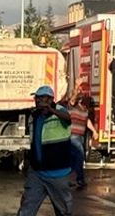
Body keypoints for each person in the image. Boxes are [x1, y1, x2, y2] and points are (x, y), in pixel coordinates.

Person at [17, 85, 73, 216]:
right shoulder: (34, 115)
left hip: (58, 174)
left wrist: (51, 110)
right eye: (36, 98)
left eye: (40, 99)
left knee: (63, 211)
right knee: (26, 209)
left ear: (49, 100)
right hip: (37, 173)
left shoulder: (60, 111)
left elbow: (68, 119)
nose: (36, 101)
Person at [66, 94, 96, 189]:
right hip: (73, 136)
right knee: (80, 157)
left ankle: (67, 180)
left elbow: (87, 121)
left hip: (80, 137)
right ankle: (80, 179)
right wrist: (77, 89)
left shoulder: (84, 110)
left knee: (72, 160)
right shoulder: (72, 107)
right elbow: (72, 98)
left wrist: (94, 131)